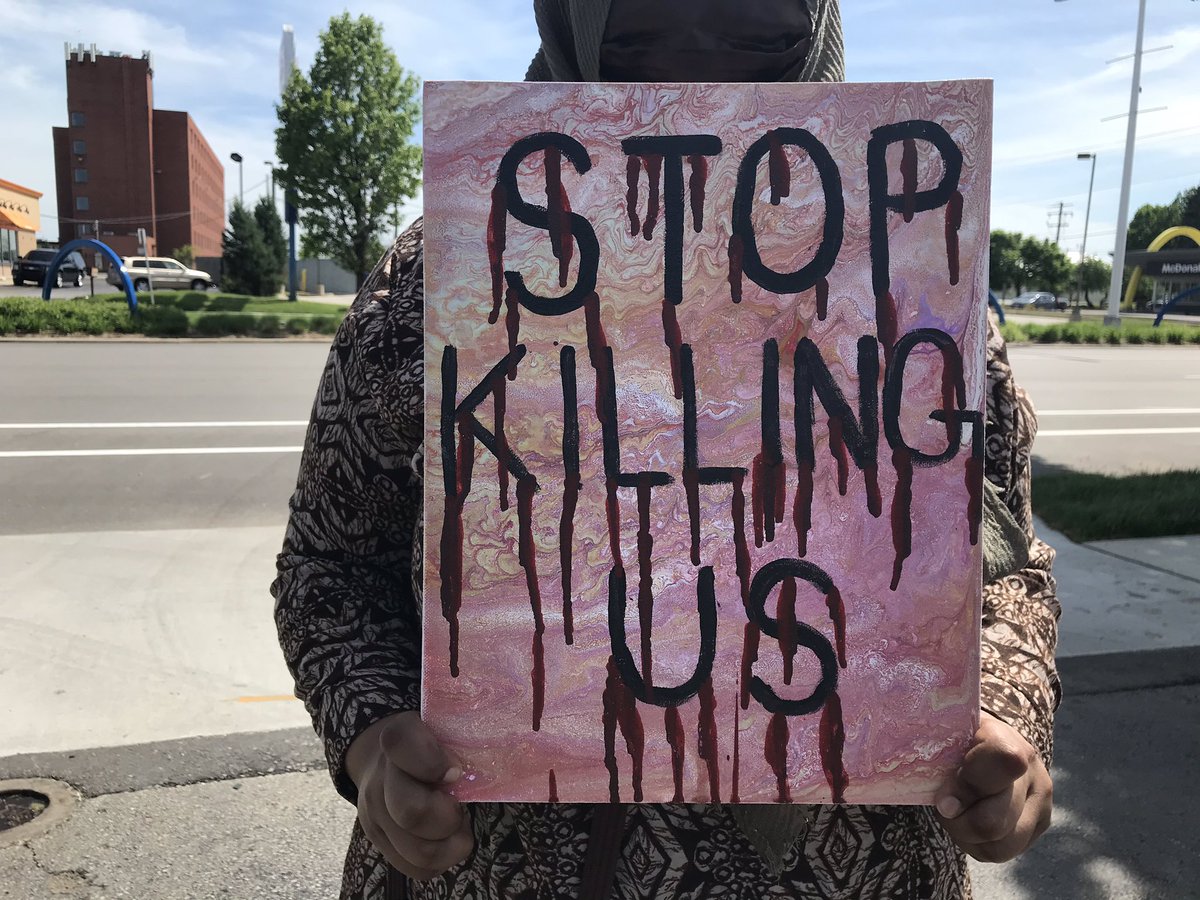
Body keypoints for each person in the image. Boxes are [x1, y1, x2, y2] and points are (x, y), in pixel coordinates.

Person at [272, 2, 1061, 898]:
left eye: (749, 34)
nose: (700, 73)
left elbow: (1005, 565)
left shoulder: (914, 276)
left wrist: (1005, 712)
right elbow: (330, 563)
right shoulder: (445, 277)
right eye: (645, 31)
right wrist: (372, 736)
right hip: (496, 866)